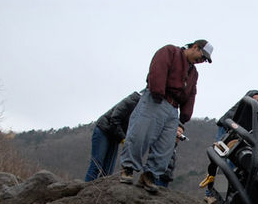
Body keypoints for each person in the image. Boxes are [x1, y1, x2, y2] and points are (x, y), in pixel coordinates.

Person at [119, 39, 213, 193]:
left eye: (204, 60)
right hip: (156, 99)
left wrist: (184, 116)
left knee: (166, 146)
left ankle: (149, 175)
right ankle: (128, 168)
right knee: (140, 135)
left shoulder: (194, 73)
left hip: (173, 109)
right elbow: (158, 69)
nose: (201, 61)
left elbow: (191, 94)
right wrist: (157, 92)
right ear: (195, 47)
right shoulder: (170, 51)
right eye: (202, 57)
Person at [200, 79, 258, 203]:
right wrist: (254, 99)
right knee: (220, 159)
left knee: (231, 164)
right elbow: (251, 96)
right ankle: (210, 194)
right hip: (228, 129)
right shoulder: (255, 95)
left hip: (243, 138)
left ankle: (216, 196)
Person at [84, 91, 141, 181]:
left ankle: (101, 192)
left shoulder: (144, 112)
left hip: (115, 136)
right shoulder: (131, 101)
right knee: (96, 165)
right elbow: (114, 119)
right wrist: (123, 138)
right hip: (103, 129)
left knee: (108, 170)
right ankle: (86, 190)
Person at [156, 123, 187, 188]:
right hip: (157, 176)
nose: (179, 135)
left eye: (181, 133)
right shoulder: (163, 142)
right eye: (178, 131)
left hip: (166, 178)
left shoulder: (173, 149)